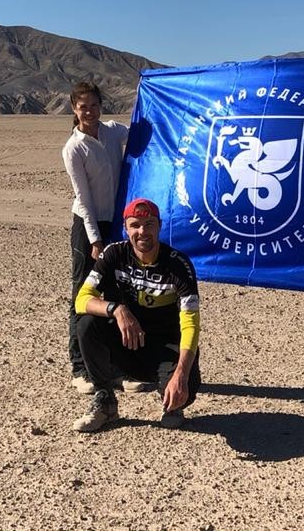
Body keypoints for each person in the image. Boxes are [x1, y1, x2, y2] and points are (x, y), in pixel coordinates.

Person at [71, 198, 201, 433]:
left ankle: (172, 401)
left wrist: (181, 374)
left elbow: (191, 324)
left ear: (159, 226)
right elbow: (81, 300)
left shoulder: (178, 265)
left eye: (149, 224)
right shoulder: (113, 254)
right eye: (135, 225)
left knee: (185, 392)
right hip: (129, 342)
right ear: (126, 228)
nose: (142, 232)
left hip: (165, 346)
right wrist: (116, 309)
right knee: (87, 324)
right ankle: (105, 402)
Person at [61, 81, 130, 394]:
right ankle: (80, 366)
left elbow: (146, 137)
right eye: (82, 106)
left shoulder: (114, 131)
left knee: (117, 290)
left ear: (101, 105)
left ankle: (118, 364)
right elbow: (84, 198)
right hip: (89, 226)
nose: (88, 111)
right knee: (84, 290)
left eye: (93, 105)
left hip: (116, 223)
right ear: (74, 110)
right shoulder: (74, 148)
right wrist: (94, 240)